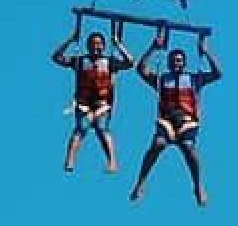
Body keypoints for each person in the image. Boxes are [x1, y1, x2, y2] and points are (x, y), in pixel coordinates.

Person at [130, 27, 222, 206]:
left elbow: (218, 74)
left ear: (184, 63)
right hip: (167, 120)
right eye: (173, 61)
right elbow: (141, 69)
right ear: (169, 63)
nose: (176, 63)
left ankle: (198, 186)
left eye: (179, 61)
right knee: (158, 144)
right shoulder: (162, 79)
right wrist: (153, 48)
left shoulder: (194, 79)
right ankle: (141, 181)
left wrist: (206, 51)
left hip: (187, 120)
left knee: (188, 147)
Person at [52, 19, 133, 174]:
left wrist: (118, 44)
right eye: (93, 44)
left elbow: (130, 62)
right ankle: (70, 159)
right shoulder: (80, 61)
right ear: (88, 46)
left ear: (103, 46)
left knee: (102, 128)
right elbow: (56, 57)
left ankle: (112, 161)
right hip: (84, 103)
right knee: (81, 128)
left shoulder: (109, 62)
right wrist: (71, 39)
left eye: (99, 44)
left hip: (102, 104)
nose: (96, 47)